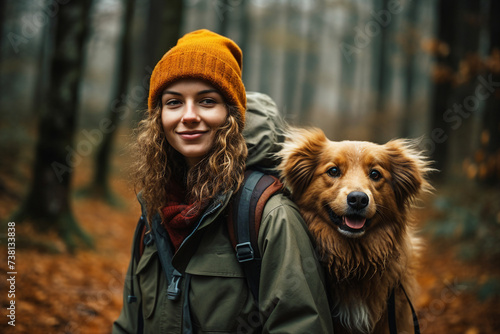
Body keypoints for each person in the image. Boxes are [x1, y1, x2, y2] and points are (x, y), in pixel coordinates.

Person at [112, 29, 333, 334]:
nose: (188, 115)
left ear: (231, 115)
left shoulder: (268, 214)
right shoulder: (155, 207)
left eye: (206, 101)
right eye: (174, 102)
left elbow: (300, 325)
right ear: (158, 116)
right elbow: (129, 322)